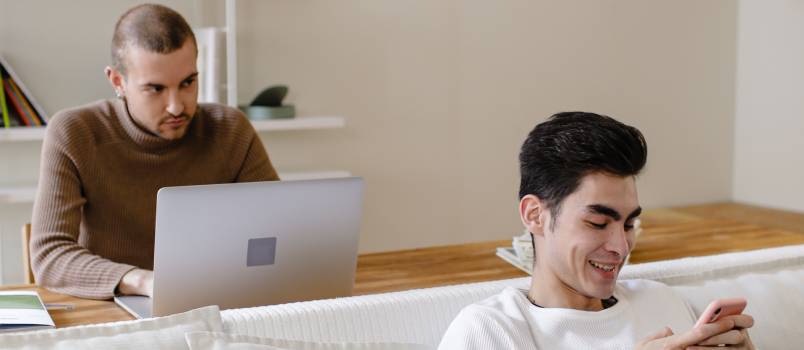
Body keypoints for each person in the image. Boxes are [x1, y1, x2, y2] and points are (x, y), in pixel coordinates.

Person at [438, 112, 755, 349]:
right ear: (535, 215)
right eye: (598, 223)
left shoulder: (660, 301)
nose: (621, 247)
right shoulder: (491, 330)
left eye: (628, 224)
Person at [30, 4, 279, 300]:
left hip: (213, 300)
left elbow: (280, 230)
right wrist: (142, 281)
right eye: (155, 89)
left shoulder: (231, 129)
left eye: (188, 83)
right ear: (118, 81)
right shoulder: (75, 132)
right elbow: (50, 255)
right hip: (116, 306)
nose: (176, 106)